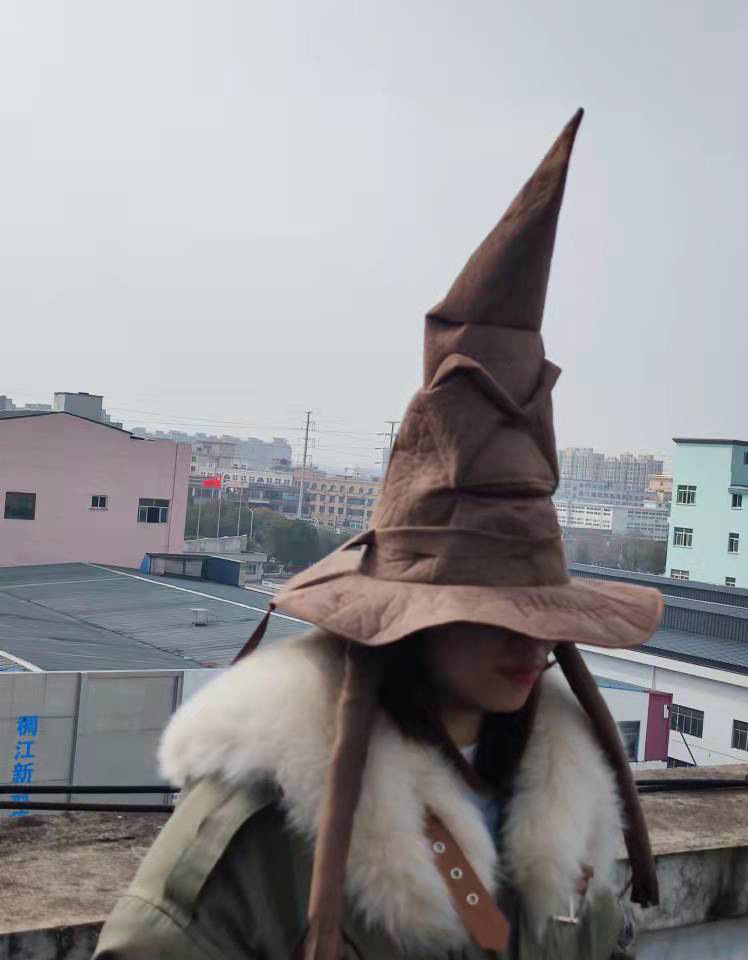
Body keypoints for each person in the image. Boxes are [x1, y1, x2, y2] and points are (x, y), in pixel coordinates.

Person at [94, 109, 664, 960]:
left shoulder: (563, 801)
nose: (531, 640)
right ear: (408, 611)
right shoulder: (266, 817)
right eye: (494, 609)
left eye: (540, 610)